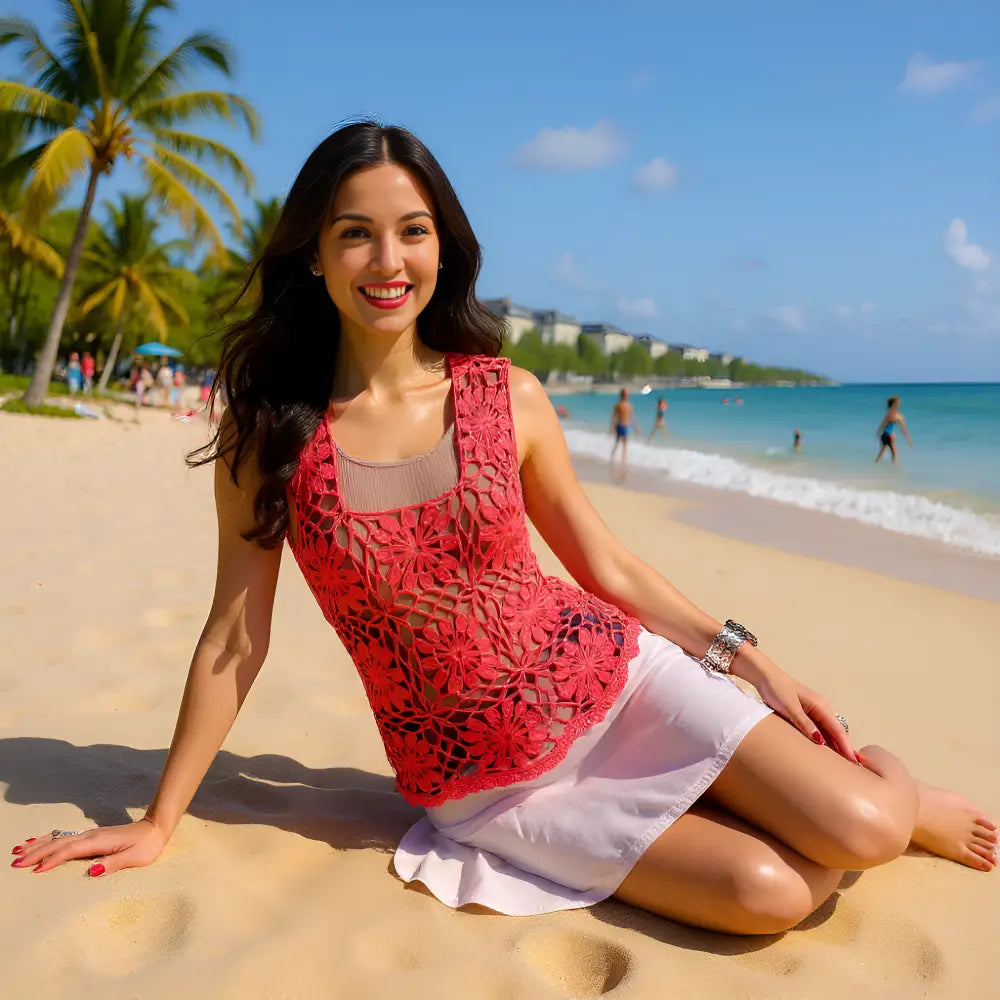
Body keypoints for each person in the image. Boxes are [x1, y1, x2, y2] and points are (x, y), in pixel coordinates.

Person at [13, 123, 994, 936]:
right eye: (355, 233)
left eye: (412, 230)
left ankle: (907, 799)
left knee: (860, 826)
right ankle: (750, 803)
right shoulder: (271, 437)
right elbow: (235, 635)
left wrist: (748, 659)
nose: (387, 260)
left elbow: (602, 562)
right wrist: (158, 819)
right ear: (312, 252)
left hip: (617, 681)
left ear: (444, 246)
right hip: (492, 785)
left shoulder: (506, 395)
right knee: (770, 894)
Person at [609, 387, 643, 465]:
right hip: (619, 425)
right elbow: (614, 417)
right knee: (617, 443)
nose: (626, 395)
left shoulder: (629, 406)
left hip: (625, 426)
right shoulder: (618, 405)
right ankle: (613, 457)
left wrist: (637, 428)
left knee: (624, 444)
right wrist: (612, 427)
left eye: (627, 394)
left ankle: (623, 460)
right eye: (625, 394)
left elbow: (633, 418)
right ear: (622, 395)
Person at [875, 396, 912, 465]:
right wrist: (908, 440)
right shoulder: (898, 415)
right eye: (898, 402)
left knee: (881, 453)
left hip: (884, 435)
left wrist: (878, 433)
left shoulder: (889, 413)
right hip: (890, 435)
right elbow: (903, 429)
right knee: (894, 454)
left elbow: (882, 424)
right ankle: (894, 471)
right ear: (895, 404)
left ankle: (875, 466)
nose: (899, 403)